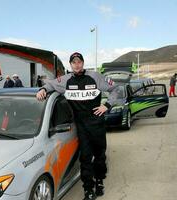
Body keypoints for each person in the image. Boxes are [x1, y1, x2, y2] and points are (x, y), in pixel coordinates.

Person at [36, 52, 119, 200]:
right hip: (80, 125)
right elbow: (50, 84)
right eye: (74, 62)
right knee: (85, 157)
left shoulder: (95, 76)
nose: (77, 65)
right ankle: (88, 189)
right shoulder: (66, 80)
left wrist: (106, 105)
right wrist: (42, 90)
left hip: (97, 123)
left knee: (99, 155)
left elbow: (115, 89)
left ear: (83, 63)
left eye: (79, 62)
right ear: (71, 64)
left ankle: (99, 181)